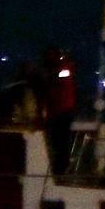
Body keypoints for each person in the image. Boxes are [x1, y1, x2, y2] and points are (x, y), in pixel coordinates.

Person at [42, 45, 77, 176]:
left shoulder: (64, 69)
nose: (50, 58)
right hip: (55, 111)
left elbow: (59, 79)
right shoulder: (52, 71)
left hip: (63, 111)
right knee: (55, 141)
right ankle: (57, 166)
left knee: (61, 142)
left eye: (52, 55)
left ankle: (61, 168)